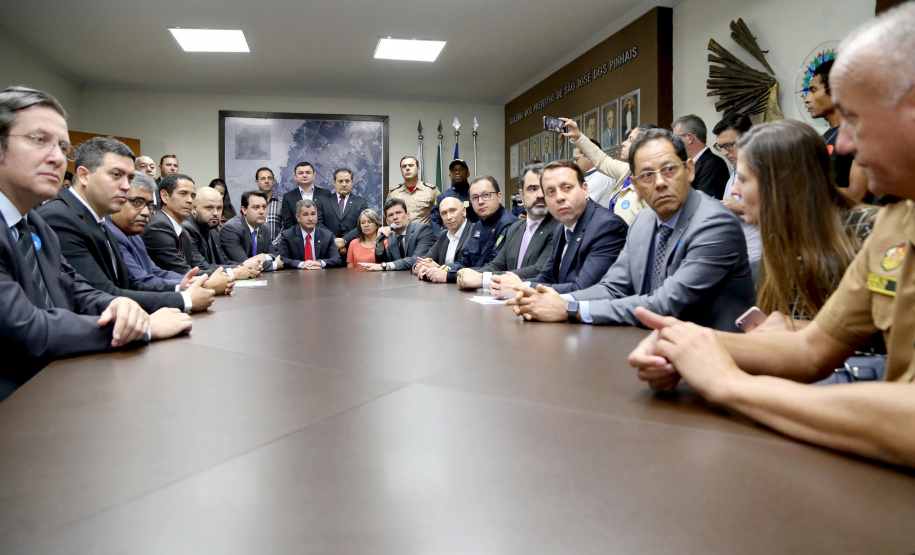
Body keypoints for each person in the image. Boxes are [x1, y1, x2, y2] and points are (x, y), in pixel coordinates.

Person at [628, 3, 915, 468]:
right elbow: (811, 348)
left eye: (855, 120)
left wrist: (731, 383)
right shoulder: (899, 220)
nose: (842, 146)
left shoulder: (872, 224)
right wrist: (684, 346)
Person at [0, 86, 191, 396]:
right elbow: (26, 329)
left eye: (62, 147)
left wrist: (121, 306)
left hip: (60, 380)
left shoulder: (35, 224)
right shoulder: (53, 218)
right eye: (39, 140)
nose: (57, 158)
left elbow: (79, 292)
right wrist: (143, 327)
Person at [509, 129, 755, 330]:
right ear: (635, 185)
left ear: (689, 170)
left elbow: (666, 304)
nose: (659, 183)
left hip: (714, 356)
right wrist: (553, 300)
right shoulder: (644, 221)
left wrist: (568, 309)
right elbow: (612, 288)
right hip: (651, 344)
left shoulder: (714, 222)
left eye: (669, 169)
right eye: (647, 175)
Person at [37, 138, 215, 313]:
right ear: (84, 176)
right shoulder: (60, 218)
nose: (125, 186)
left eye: (129, 178)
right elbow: (102, 294)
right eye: (116, 175)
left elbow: (129, 283)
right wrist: (185, 299)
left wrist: (180, 288)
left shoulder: (101, 221)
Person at [732, 119, 878, 331]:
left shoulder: (870, 233)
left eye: (743, 180)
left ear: (781, 184)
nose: (735, 190)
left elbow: (895, 339)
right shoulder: (772, 254)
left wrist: (801, 331)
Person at [496, 160, 627, 295]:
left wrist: (523, 287)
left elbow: (583, 290)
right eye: (551, 192)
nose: (559, 197)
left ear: (585, 190)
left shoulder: (607, 226)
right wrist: (516, 285)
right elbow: (547, 277)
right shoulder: (562, 228)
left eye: (567, 188)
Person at [456, 163, 559, 296]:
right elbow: (497, 264)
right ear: (521, 195)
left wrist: (482, 279)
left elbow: (539, 270)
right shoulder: (516, 227)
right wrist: (469, 275)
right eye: (532, 189)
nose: (539, 194)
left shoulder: (559, 226)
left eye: (544, 188)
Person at [141, 174, 233, 295]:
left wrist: (222, 276)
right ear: (164, 196)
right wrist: (228, 275)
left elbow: (197, 266)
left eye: (192, 195)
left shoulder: (182, 230)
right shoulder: (158, 227)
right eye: (183, 194)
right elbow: (181, 271)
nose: (189, 200)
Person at [804, 59, 871, 203]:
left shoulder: (860, 132)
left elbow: (857, 193)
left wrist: (803, 191)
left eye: (813, 90)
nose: (807, 99)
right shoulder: (820, 140)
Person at [563, 118, 648, 225]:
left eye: (630, 140)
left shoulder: (650, 181)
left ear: (644, 146)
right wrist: (578, 136)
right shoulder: (628, 170)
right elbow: (602, 160)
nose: (623, 143)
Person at [107, 172, 185, 287]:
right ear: (117, 200)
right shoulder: (110, 234)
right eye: (137, 202)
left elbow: (155, 272)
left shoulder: (134, 235)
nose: (145, 212)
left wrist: (196, 281)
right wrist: (189, 286)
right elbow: (141, 281)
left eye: (149, 206)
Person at [440, 175, 517, 284]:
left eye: (486, 195)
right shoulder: (477, 226)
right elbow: (465, 262)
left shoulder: (510, 225)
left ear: (499, 197)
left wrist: (450, 275)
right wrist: (442, 269)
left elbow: (497, 267)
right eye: (475, 197)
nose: (480, 201)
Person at [711, 114, 762, 266]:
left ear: (747, 140)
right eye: (720, 147)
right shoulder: (734, 172)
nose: (724, 152)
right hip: (737, 255)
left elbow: (783, 215)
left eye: (728, 146)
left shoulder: (765, 169)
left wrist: (741, 209)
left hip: (759, 255)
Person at [181, 187, 260, 279]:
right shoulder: (187, 230)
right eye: (209, 207)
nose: (215, 213)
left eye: (219, 208)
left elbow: (223, 261)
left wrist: (245, 267)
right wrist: (234, 271)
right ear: (194, 208)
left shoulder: (213, 229)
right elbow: (201, 267)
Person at [359, 198, 435, 271]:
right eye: (391, 215)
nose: (395, 217)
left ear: (407, 215)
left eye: (398, 213)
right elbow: (382, 262)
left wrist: (386, 266)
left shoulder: (423, 230)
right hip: (398, 281)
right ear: (387, 221)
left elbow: (418, 260)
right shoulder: (391, 237)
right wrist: (380, 242)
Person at [221, 190, 284, 272]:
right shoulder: (231, 229)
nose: (262, 211)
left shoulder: (264, 229)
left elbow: (273, 255)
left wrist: (264, 256)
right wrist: (274, 265)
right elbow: (245, 264)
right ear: (244, 210)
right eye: (256, 207)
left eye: (264, 207)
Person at [414, 197, 472, 281]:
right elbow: (426, 257)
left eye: (453, 210)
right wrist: (418, 266)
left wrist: (439, 268)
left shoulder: (474, 232)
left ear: (464, 211)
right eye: (444, 213)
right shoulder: (443, 235)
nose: (449, 217)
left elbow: (467, 267)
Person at [672, 115, 730, 200]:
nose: (673, 143)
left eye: (676, 138)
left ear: (689, 138)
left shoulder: (713, 164)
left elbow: (703, 202)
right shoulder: (688, 164)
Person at [315, 168, 368, 257]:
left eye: (347, 181)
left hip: (353, 250)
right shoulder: (323, 200)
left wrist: (345, 240)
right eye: (340, 181)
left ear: (352, 182)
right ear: (334, 182)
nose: (344, 184)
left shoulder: (361, 202)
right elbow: (318, 223)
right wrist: (335, 241)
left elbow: (364, 225)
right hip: (328, 250)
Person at [278, 199, 343, 270]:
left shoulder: (327, 235)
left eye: (313, 214)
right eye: (306, 215)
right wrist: (302, 264)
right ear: (298, 217)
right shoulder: (287, 235)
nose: (310, 218)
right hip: (296, 278)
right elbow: (282, 259)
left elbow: (337, 260)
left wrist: (320, 263)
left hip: (321, 277)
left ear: (317, 215)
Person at [430, 159, 478, 236]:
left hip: (470, 238)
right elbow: (434, 219)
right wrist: (440, 238)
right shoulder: (443, 196)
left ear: (468, 173)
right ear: (450, 175)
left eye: (461, 169)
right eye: (453, 170)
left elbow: (481, 218)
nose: (457, 172)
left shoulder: (476, 194)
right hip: (449, 239)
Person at [386, 156, 439, 224]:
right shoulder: (393, 193)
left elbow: (441, 214)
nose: (407, 168)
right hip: (401, 233)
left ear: (418, 169)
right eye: (404, 166)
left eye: (411, 165)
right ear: (401, 170)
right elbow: (387, 217)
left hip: (424, 233)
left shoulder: (432, 191)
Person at [281, 162, 331, 230]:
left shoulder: (325, 194)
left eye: (308, 172)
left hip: (322, 237)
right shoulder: (288, 197)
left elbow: (329, 220)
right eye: (301, 173)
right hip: (297, 238)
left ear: (313, 175)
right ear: (295, 177)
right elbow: (288, 224)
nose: (304, 175)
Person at [573, 139, 615, 208]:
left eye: (576, 159)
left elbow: (577, 207)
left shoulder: (599, 178)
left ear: (590, 157)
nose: (574, 163)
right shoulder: (593, 176)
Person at [255, 166, 282, 244]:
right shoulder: (249, 204)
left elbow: (286, 229)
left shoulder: (281, 202)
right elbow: (243, 226)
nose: (266, 181)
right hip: (253, 250)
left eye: (269, 178)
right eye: (263, 178)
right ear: (256, 182)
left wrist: (272, 246)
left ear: (273, 181)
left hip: (276, 251)